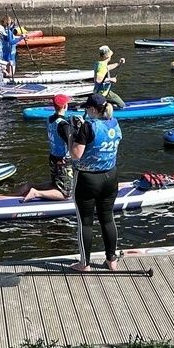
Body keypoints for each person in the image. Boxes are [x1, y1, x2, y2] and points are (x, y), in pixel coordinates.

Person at [69, 93, 123, 271]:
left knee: (85, 222)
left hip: (88, 179)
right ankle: (111, 259)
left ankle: (84, 264)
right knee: (107, 219)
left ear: (92, 109)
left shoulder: (87, 127)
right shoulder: (114, 122)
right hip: (110, 176)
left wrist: (72, 135)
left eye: (87, 108)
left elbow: (76, 155)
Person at [21, 94, 75, 202]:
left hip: (53, 157)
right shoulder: (64, 125)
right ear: (65, 106)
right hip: (63, 161)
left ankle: (32, 186)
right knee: (67, 194)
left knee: (56, 183)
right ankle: (36, 193)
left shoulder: (49, 119)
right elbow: (72, 145)